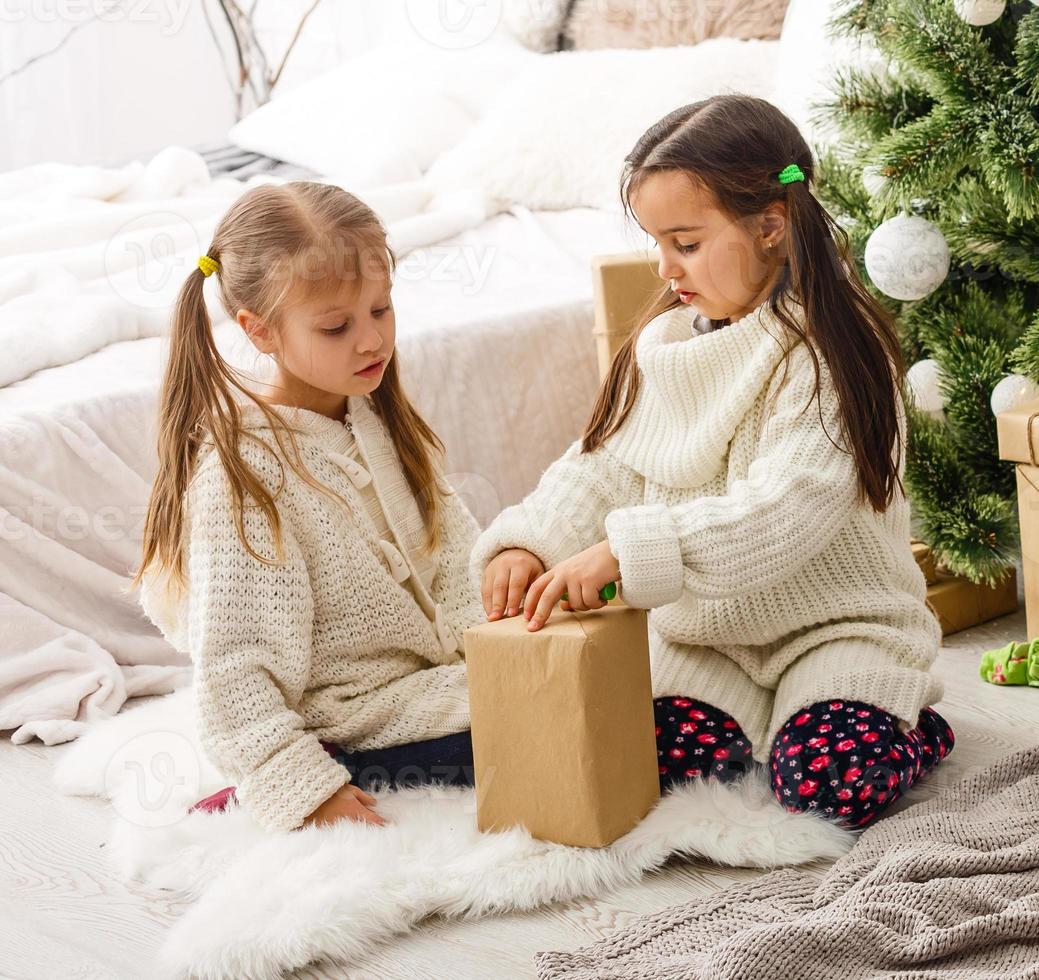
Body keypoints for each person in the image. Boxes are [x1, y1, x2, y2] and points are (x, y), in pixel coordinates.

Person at [474, 95, 951, 830]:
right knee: (645, 761)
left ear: (770, 227)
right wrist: (526, 540)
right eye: (657, 243)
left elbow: (784, 509)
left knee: (829, 785)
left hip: (834, 628)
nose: (665, 269)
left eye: (686, 243)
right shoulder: (666, 346)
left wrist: (626, 553)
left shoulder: (829, 352)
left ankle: (914, 727)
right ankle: (760, 728)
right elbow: (599, 465)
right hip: (710, 638)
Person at [136, 183, 486, 832]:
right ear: (260, 331)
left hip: (439, 690)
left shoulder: (377, 418)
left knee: (630, 673)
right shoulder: (246, 474)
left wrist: (504, 644)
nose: (371, 341)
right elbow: (233, 664)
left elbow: (461, 557)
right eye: (336, 326)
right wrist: (293, 782)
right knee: (655, 724)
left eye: (381, 310)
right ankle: (268, 787)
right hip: (359, 725)